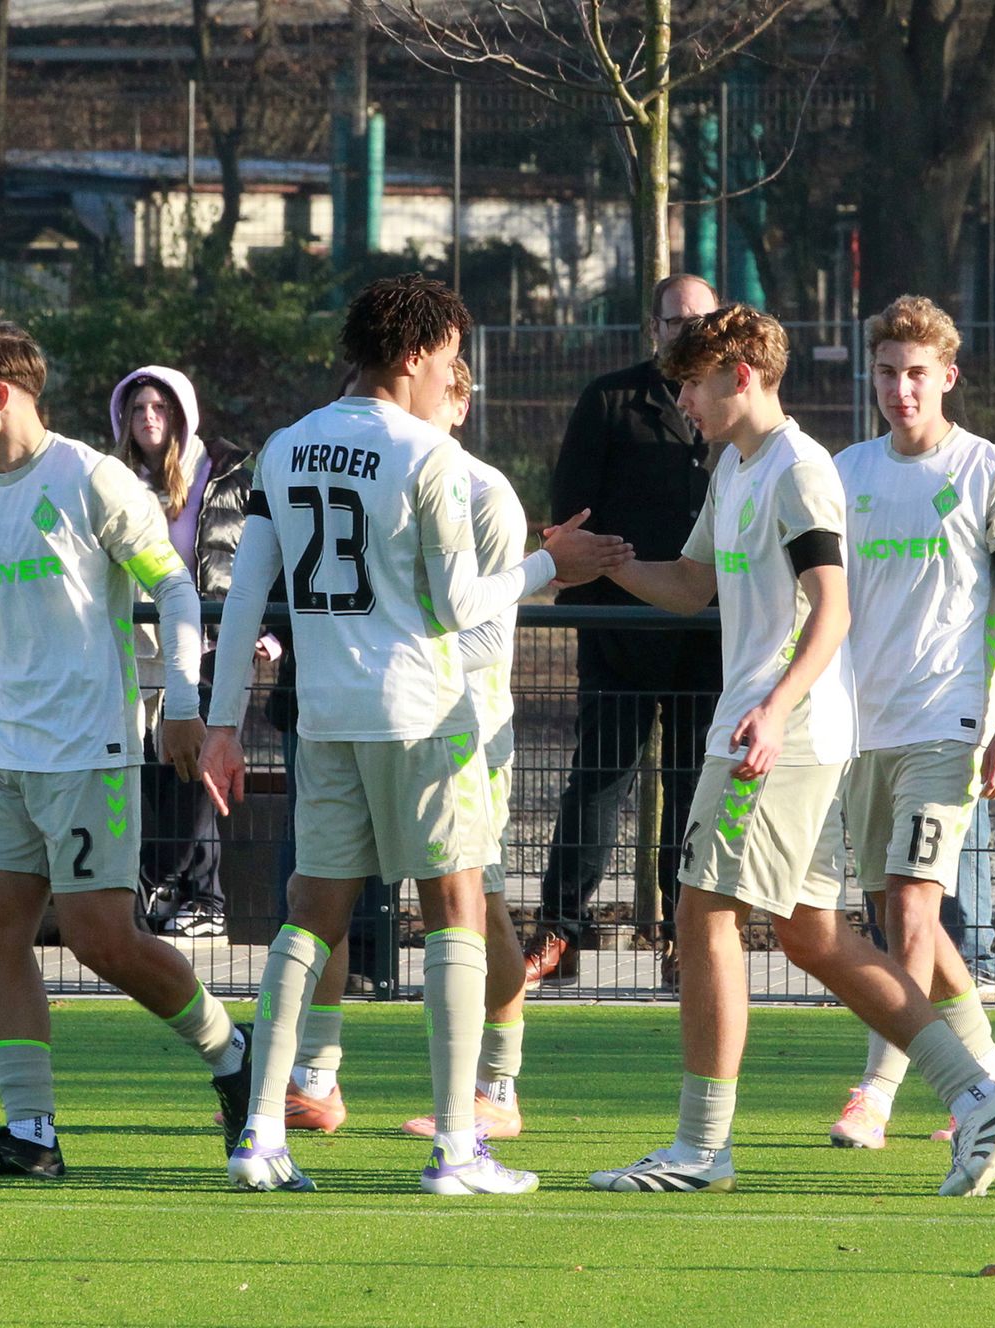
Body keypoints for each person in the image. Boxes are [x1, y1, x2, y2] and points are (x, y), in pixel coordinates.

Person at [579, 304, 995, 1197]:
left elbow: (833, 609)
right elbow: (692, 585)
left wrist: (778, 709)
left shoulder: (799, 468)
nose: (682, 401)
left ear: (739, 377)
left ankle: (701, 1149)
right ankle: (978, 1092)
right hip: (770, 731)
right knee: (813, 933)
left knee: (702, 913)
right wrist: (608, 563)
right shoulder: (737, 468)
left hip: (777, 736)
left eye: (692, 384)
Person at [200, 274, 627, 1195]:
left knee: (306, 920)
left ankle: (261, 1138)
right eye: (446, 360)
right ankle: (459, 1149)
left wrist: (220, 722)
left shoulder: (286, 446)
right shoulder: (428, 458)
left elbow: (244, 598)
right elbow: (463, 602)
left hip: (326, 721)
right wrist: (557, 562)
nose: (452, 379)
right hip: (425, 716)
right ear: (411, 356)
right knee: (455, 913)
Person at [0, 321, 247, 1180]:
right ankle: (32, 1133)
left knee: (102, 940)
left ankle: (235, 1054)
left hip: (91, 750)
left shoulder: (92, 479)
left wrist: (183, 704)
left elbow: (175, 585)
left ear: (0, 393)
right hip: (2, 757)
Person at [280, 357, 536, 1141]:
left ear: (460, 402)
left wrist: (404, 662)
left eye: (449, 394)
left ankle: (497, 1084)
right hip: (359, 718)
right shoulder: (369, 465)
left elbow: (489, 634)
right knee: (318, 893)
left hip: (457, 726)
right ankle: (313, 1076)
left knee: (471, 905)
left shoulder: (485, 493)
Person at [825, 296, 995, 1150]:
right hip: (858, 730)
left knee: (913, 912)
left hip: (948, 727)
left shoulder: (993, 473)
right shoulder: (845, 473)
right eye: (887, 372)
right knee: (892, 922)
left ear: (948, 376)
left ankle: (876, 1091)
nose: (901, 390)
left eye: (917, 374)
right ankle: (992, 1074)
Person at [526, 273, 724, 989]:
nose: (688, 331)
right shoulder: (608, 399)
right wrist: (615, 572)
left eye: (701, 318)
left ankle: (682, 937)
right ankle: (559, 932)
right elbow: (568, 522)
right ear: (654, 329)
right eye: (674, 321)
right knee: (599, 783)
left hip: (709, 637)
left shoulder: (735, 411)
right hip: (618, 633)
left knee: (693, 785)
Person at [111, 365, 251, 939]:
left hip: (214, 642)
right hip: (143, 648)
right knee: (152, 772)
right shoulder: (113, 480)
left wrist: (262, 633)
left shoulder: (226, 472)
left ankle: (206, 898)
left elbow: (253, 556)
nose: (148, 417)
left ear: (181, 415)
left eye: (160, 408)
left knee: (198, 772)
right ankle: (171, 892)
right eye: (138, 407)